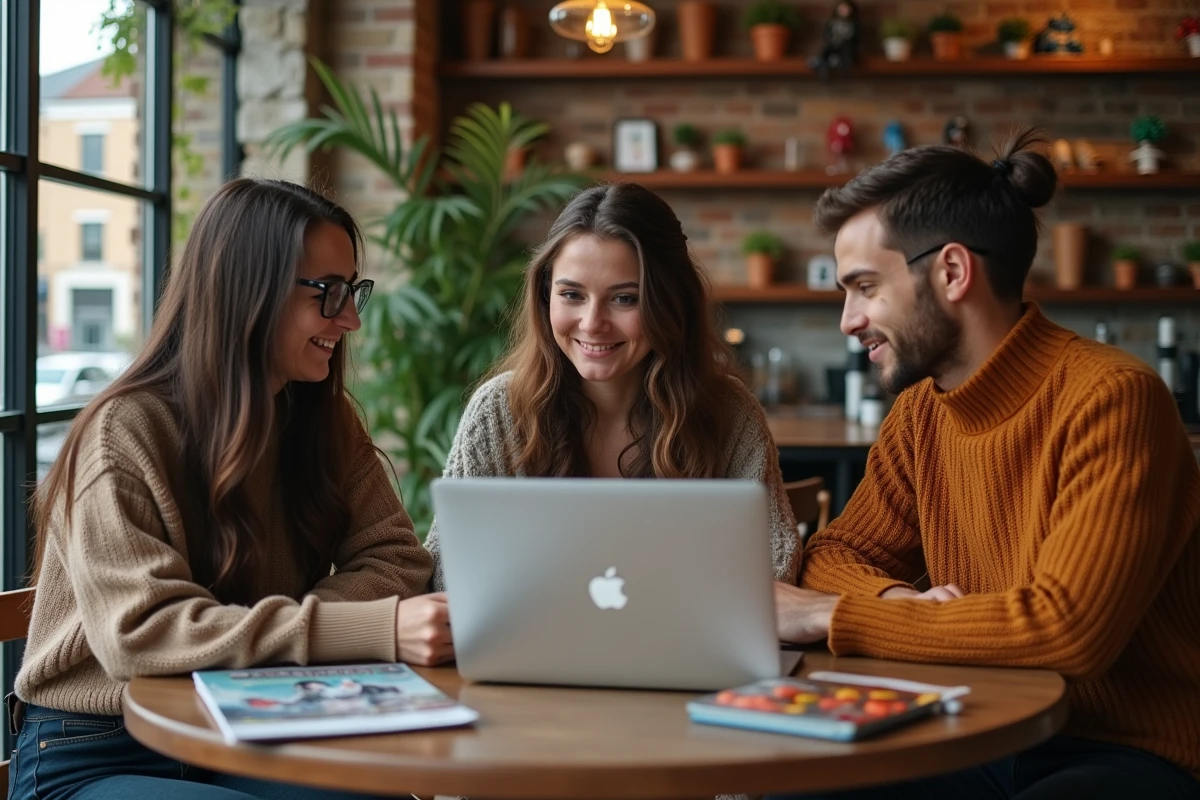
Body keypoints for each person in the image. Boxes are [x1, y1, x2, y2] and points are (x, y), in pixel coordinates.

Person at [769, 129, 1200, 798]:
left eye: (863, 287)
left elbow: (1066, 629)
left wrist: (832, 617)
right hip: (973, 727)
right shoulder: (920, 415)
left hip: (1124, 749)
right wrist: (894, 598)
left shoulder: (1113, 398)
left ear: (951, 271)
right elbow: (835, 554)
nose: (848, 321)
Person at [9, 178, 447, 800]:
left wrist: (285, 630)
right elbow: (145, 634)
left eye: (353, 292)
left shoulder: (322, 418)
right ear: (249, 290)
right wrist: (364, 629)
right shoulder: (123, 432)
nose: (349, 319)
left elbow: (395, 556)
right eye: (329, 293)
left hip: (255, 718)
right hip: (100, 746)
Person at [422, 182, 801, 627]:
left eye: (625, 298)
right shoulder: (498, 411)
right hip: (531, 670)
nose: (592, 323)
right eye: (571, 295)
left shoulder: (728, 413)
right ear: (545, 296)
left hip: (682, 664)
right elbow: (447, 577)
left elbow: (775, 569)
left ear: (669, 301)